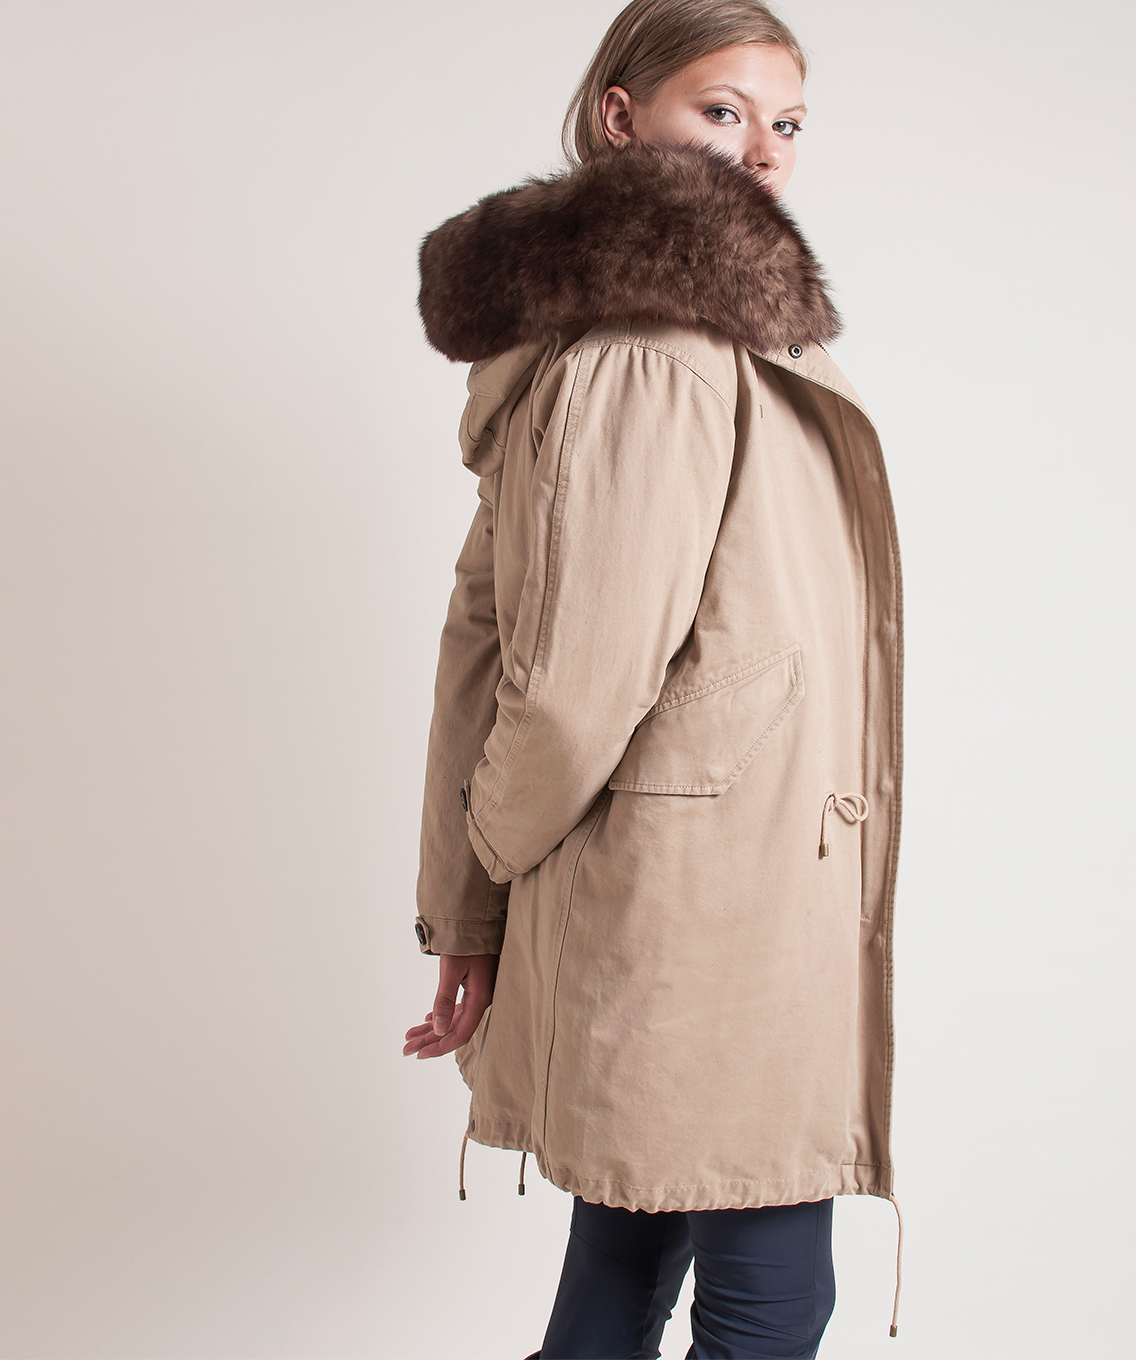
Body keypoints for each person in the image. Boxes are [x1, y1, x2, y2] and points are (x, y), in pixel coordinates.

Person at [403, 1, 904, 1355]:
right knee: (770, 1295)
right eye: (722, 111)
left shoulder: (693, 338)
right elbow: (565, 683)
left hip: (700, 896)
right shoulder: (654, 352)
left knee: (629, 1261)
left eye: (786, 122)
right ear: (620, 118)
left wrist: (468, 905)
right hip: (699, 907)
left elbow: (481, 632)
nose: (764, 151)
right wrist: (485, 888)